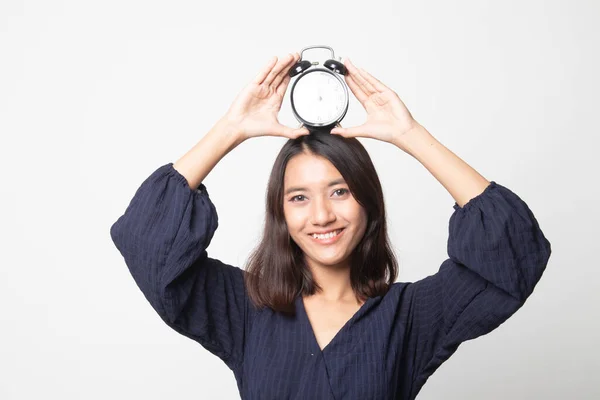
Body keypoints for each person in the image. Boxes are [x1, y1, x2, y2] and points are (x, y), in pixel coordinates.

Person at [110, 52, 552, 399]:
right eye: (299, 197)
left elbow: (511, 252)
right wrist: (232, 128)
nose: (321, 215)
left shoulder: (412, 316)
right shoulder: (245, 310)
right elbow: (147, 240)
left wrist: (409, 134)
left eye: (339, 191)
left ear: (368, 201)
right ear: (281, 214)